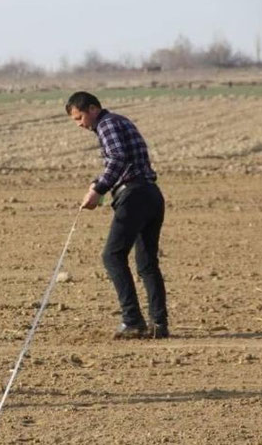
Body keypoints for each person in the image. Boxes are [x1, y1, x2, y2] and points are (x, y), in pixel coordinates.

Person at [65, 91, 169, 339]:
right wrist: (96, 183)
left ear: (92, 109)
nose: (80, 125)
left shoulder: (107, 124)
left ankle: (132, 320)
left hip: (134, 197)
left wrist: (99, 189)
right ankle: (159, 324)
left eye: (80, 118)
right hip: (151, 194)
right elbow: (123, 161)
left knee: (112, 256)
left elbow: (118, 159)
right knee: (147, 264)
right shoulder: (120, 121)